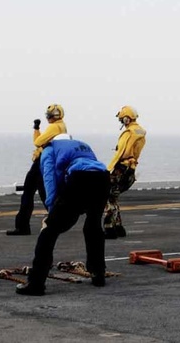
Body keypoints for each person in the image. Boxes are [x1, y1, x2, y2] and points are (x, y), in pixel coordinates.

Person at [15, 133, 110, 296]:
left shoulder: (49, 149)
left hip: (80, 179)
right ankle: (98, 274)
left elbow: (50, 180)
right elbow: (92, 166)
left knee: (49, 230)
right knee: (93, 226)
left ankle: (36, 284)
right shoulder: (82, 144)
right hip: (103, 178)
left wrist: (52, 211)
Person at [6, 104, 68, 236]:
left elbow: (38, 142)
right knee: (45, 193)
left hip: (42, 160)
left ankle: (23, 226)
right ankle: (56, 221)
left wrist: (35, 129)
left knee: (29, 192)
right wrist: (37, 128)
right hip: (49, 160)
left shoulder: (53, 126)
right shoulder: (62, 125)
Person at [103, 105, 147, 239]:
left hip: (120, 168)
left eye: (122, 119)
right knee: (114, 198)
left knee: (108, 197)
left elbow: (121, 153)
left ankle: (109, 229)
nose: (122, 122)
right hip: (131, 168)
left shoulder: (128, 133)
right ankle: (119, 227)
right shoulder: (140, 131)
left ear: (127, 119)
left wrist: (109, 170)